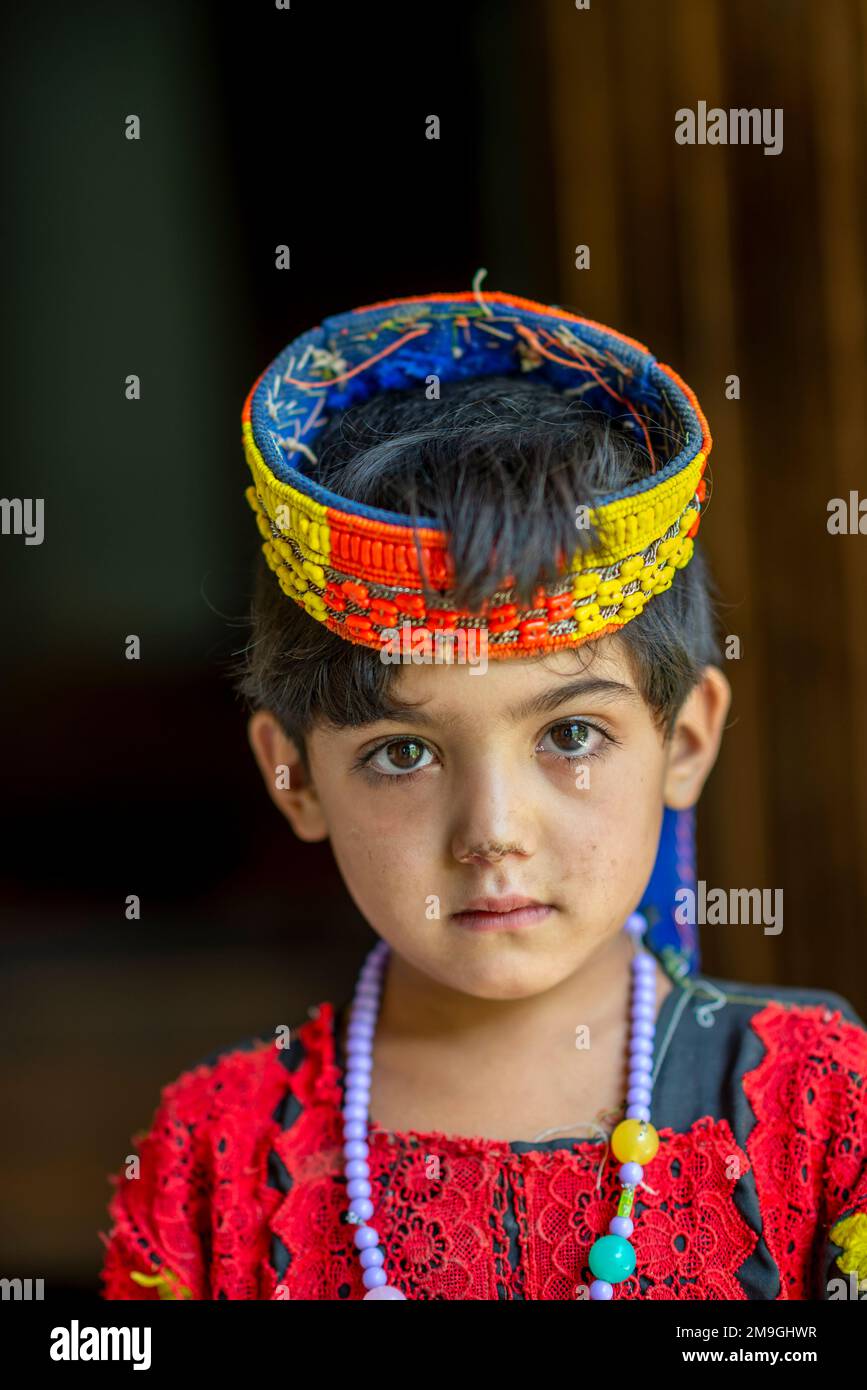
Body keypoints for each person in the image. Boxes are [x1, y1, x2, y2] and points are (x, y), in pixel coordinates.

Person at [98, 282, 867, 1300]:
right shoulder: (213, 1162)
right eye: (404, 753)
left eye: (571, 734)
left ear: (684, 739)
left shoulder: (820, 1112)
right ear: (291, 773)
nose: (492, 831)